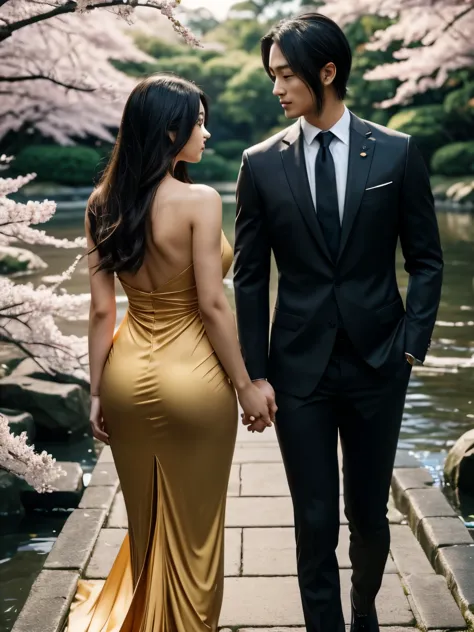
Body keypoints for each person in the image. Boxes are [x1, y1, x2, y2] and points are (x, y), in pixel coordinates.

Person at [234, 13, 443, 632]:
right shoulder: (261, 163)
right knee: (315, 516)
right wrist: (255, 374)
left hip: (381, 362)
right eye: (272, 75)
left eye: (287, 75)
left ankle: (364, 610)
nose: (277, 89)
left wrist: (412, 344)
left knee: (370, 515)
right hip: (298, 371)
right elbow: (248, 277)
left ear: (328, 72)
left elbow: (427, 260)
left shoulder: (398, 152)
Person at [67, 73, 276, 632]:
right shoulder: (200, 201)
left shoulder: (100, 204)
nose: (205, 133)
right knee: (198, 533)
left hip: (126, 374)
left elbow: (102, 313)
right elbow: (212, 304)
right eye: (198, 122)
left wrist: (94, 393)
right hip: (195, 379)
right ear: (169, 130)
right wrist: (247, 385)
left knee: (147, 527)